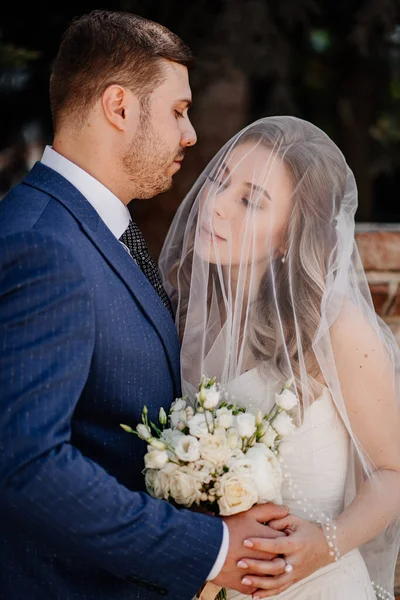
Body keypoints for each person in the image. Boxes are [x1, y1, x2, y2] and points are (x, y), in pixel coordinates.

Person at [0, 11, 290, 600]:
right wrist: (210, 550)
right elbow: (26, 463)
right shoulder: (43, 244)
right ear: (120, 107)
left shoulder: (97, 229)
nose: (190, 135)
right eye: (178, 111)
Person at [160, 115, 400, 599]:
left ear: (291, 233)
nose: (215, 206)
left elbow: (393, 474)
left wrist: (325, 544)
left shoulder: (336, 331)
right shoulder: (188, 322)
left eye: (250, 200)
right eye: (220, 181)